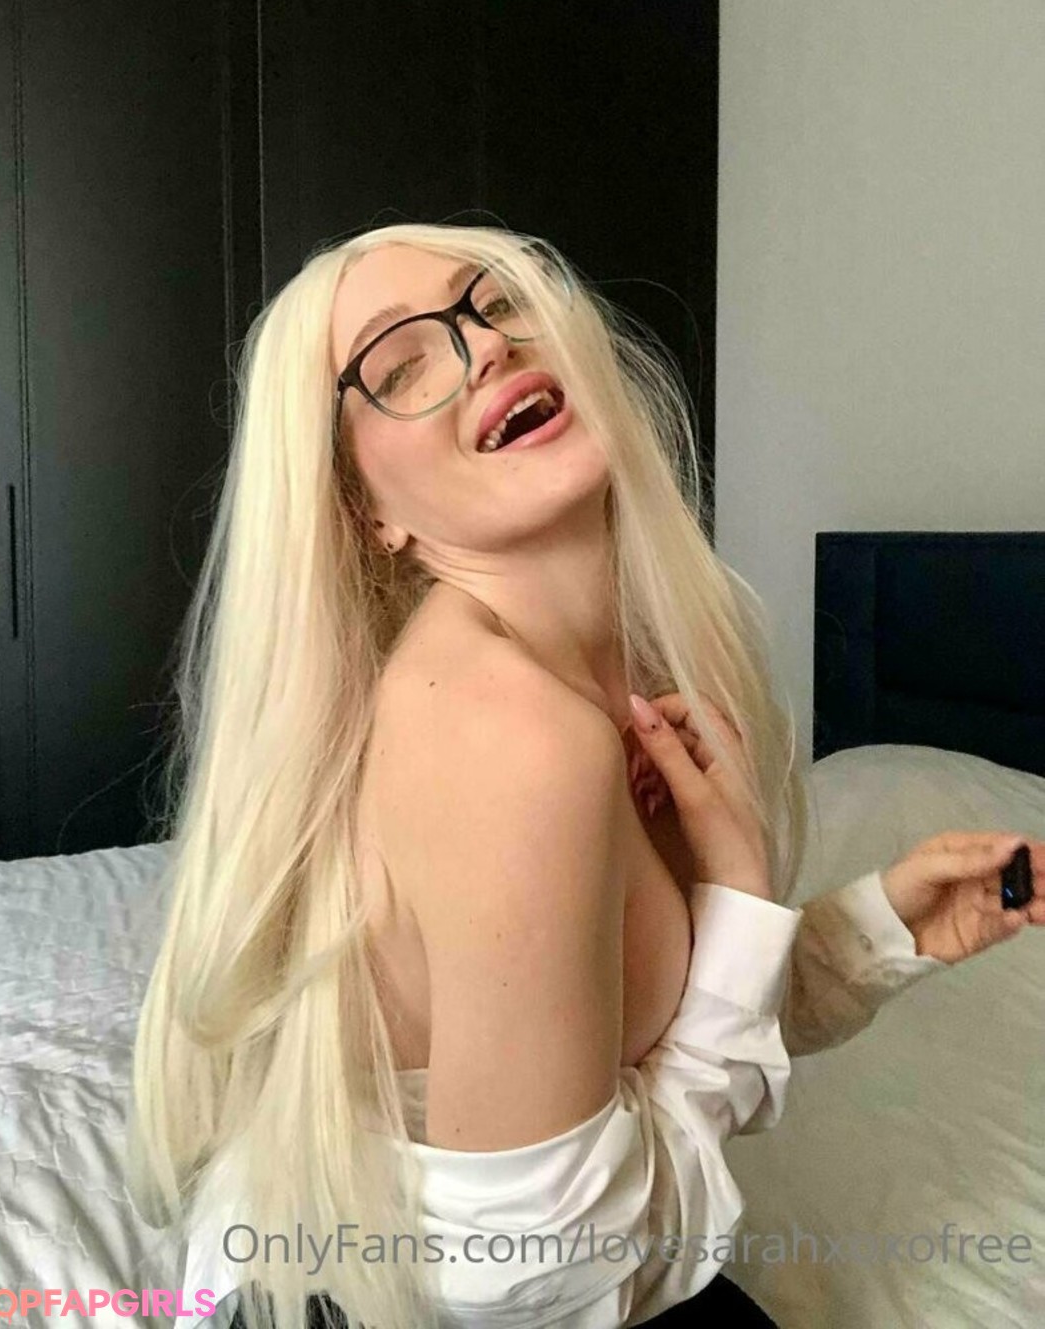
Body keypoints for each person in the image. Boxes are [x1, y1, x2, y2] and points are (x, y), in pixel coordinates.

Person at [126, 223, 1043, 1329]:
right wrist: (738, 891)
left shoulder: (629, 684)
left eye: (497, 303)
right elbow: (530, 1274)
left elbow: (636, 1020)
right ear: (369, 512)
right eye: (401, 366)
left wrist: (883, 932)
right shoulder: (512, 736)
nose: (486, 348)